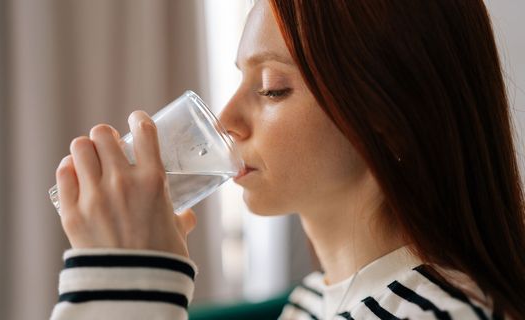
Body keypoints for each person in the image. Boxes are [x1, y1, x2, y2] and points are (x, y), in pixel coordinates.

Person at [50, 0, 525, 319]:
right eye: (240, 80)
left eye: (272, 88)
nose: (226, 119)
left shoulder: (435, 313)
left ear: (389, 119)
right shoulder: (314, 299)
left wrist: (134, 281)